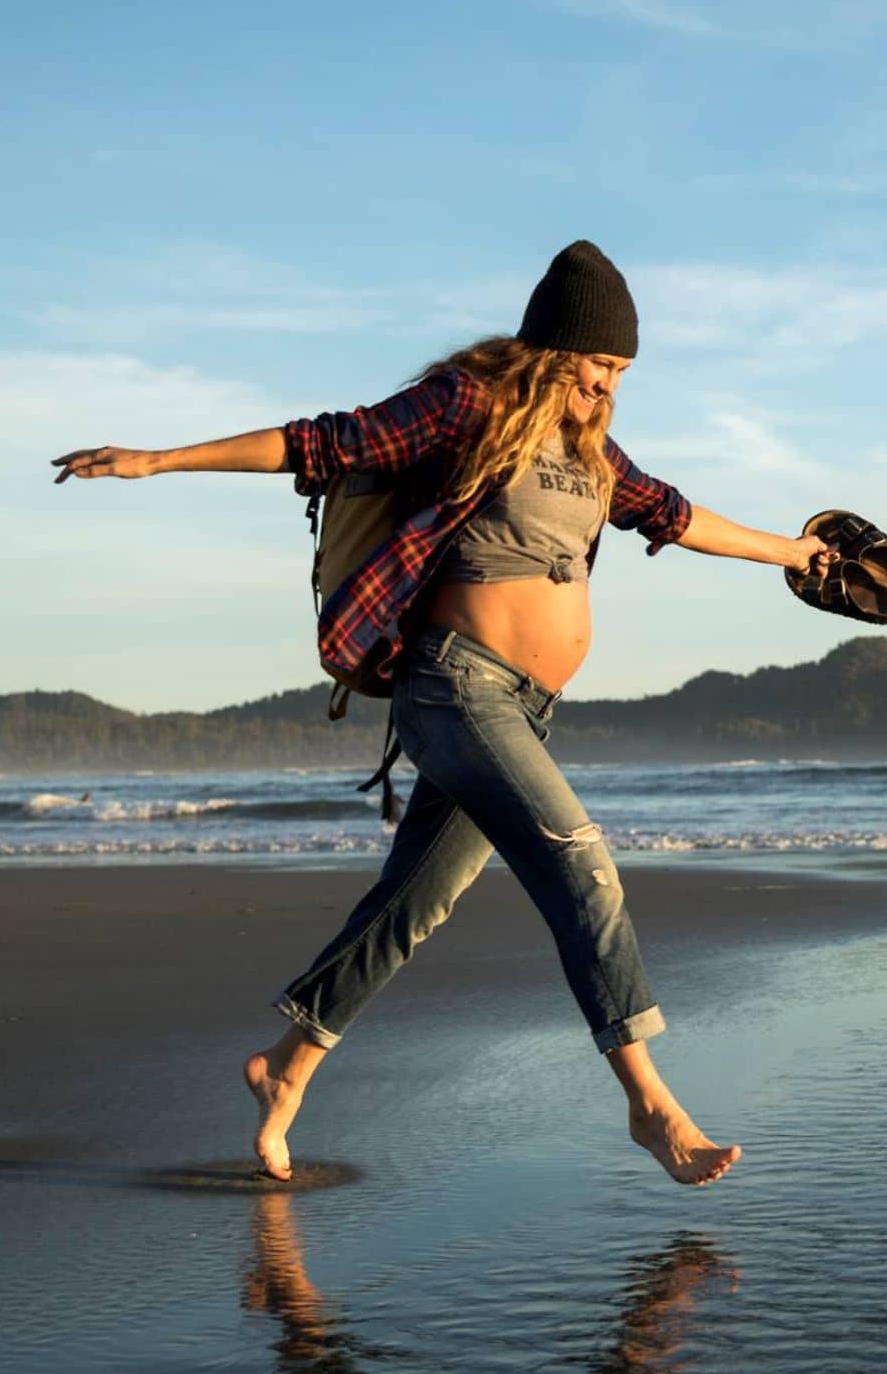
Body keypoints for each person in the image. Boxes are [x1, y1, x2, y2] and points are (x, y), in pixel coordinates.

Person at [51, 240, 835, 1187]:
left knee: (413, 905)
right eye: (599, 365)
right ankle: (650, 1106)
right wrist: (158, 461)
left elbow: (673, 514)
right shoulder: (470, 406)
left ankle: (285, 1068)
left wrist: (792, 555)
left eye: (624, 372)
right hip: (452, 688)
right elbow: (324, 442)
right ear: (552, 351)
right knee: (582, 868)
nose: (609, 387)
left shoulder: (593, 453)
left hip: (523, 709)